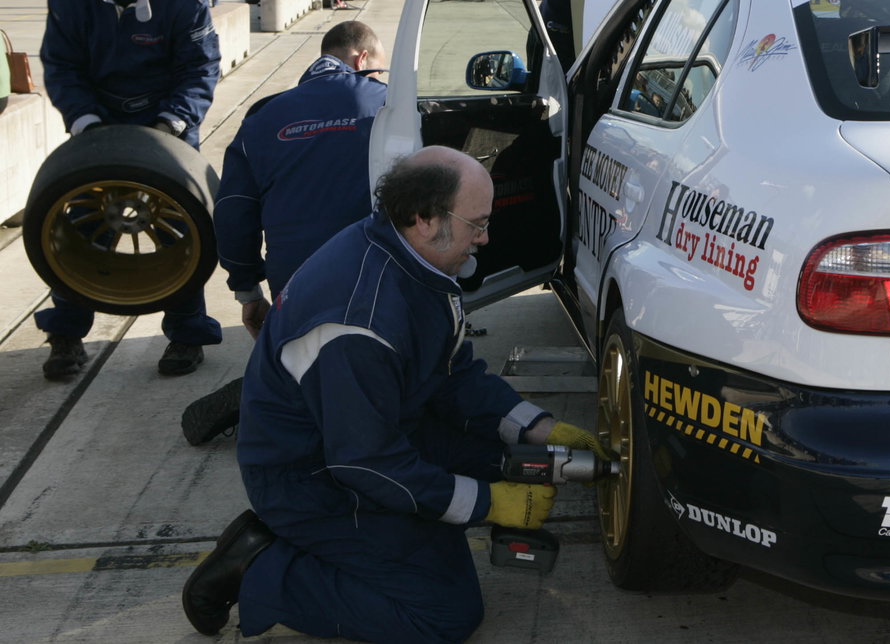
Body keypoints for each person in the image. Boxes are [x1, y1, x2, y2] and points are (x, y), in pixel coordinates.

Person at [181, 146, 609, 641]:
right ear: (425, 219)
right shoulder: (358, 322)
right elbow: (367, 463)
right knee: (446, 613)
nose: (485, 238)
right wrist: (487, 503)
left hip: (374, 429)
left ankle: (388, 539)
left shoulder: (403, 256)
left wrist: (538, 427)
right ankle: (261, 569)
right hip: (312, 478)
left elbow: (451, 372)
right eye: (477, 223)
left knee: (513, 458)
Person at [35, 0, 222, 379]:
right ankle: (66, 335)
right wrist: (84, 122)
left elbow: (200, 69)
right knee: (72, 225)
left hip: (166, 119)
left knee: (184, 227)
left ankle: (186, 334)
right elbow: (61, 67)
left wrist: (171, 124)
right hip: (97, 117)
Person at [181, 20, 390, 446]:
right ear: (362, 59)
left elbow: (234, 212)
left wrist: (247, 291)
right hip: (377, 271)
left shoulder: (264, 116)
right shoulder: (390, 105)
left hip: (293, 283)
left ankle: (278, 385)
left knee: (306, 352)